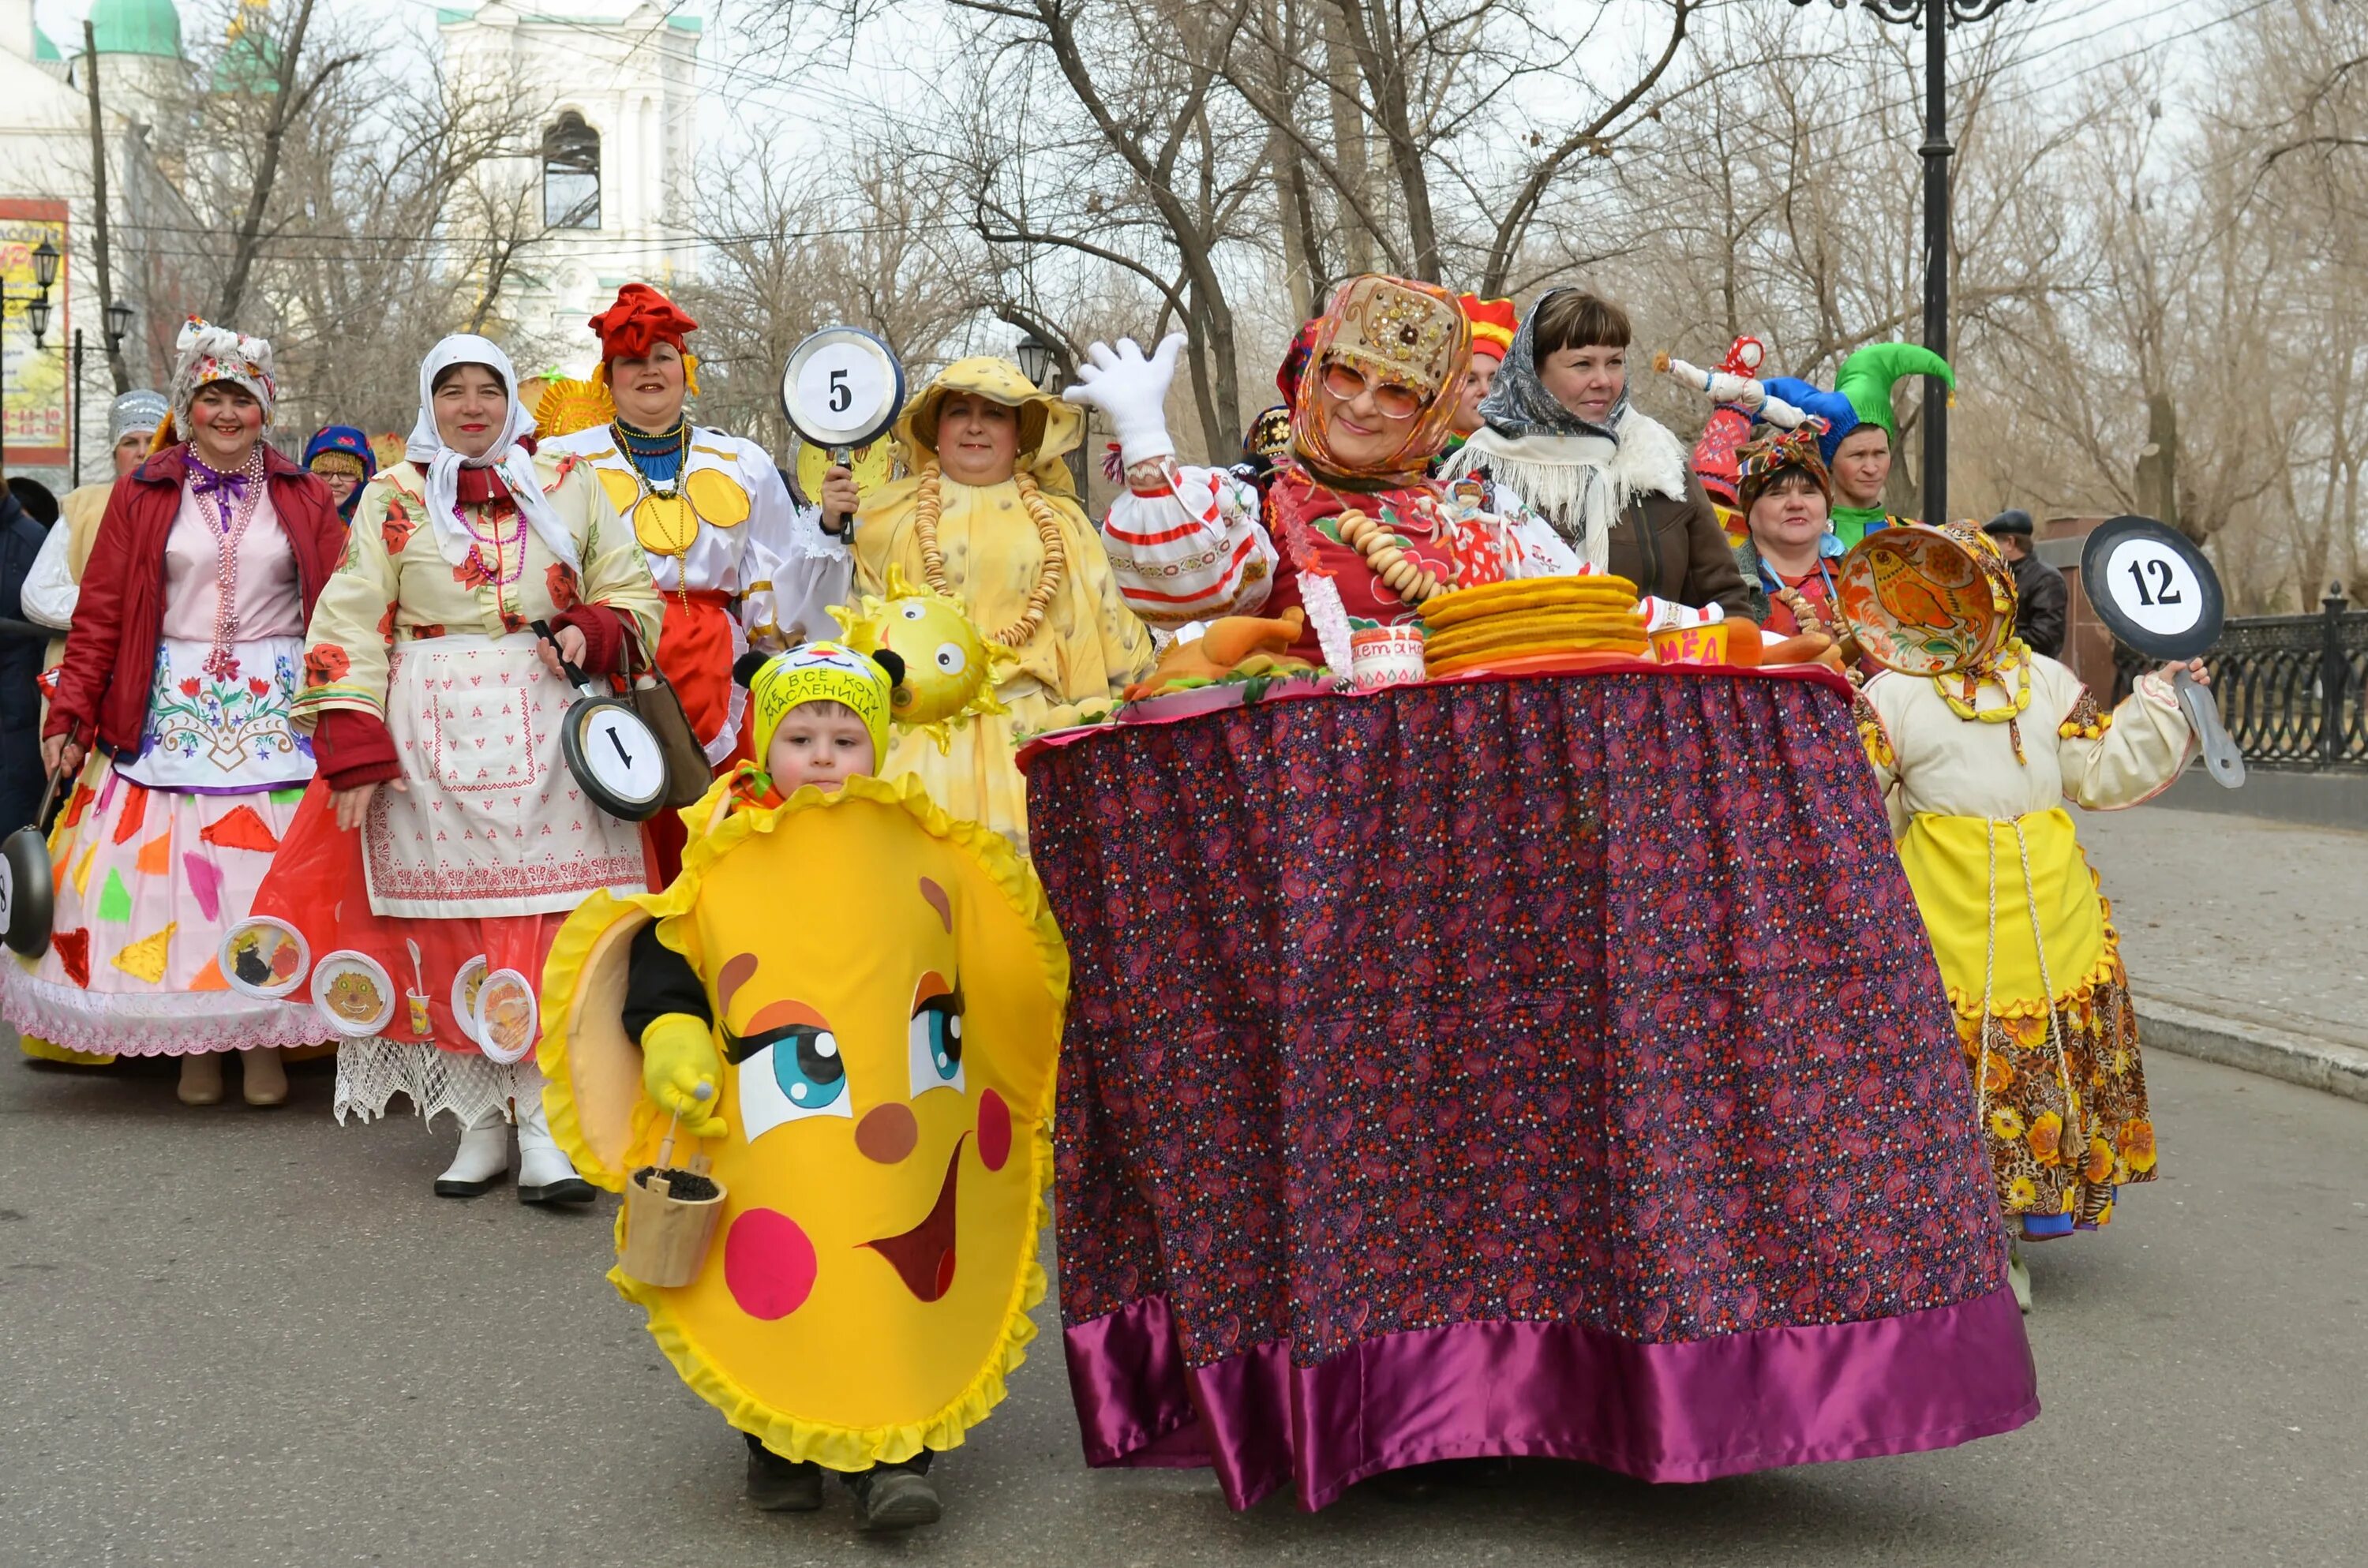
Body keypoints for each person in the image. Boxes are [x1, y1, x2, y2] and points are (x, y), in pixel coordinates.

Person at [535, 640, 1064, 1532]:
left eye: (847, 738)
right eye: (801, 735)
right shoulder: (725, 849)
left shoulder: (920, 844)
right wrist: (672, 1038)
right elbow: (673, 952)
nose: (823, 755)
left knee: (893, 1278)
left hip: (902, 1120)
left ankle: (895, 1455)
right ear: (763, 744)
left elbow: (978, 956)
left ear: (882, 746)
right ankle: (778, 1441)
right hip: (775, 1128)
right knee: (786, 1273)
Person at [247, 334, 662, 1198]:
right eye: (452, 390)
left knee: (555, 926)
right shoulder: (392, 498)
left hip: (557, 728)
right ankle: (479, 1120)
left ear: (511, 398)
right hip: (429, 731)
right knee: (450, 930)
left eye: (487, 389)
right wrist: (355, 745)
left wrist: (597, 625)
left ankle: (547, 1126)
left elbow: (635, 591)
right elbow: (349, 621)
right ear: (429, 403)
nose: (472, 405)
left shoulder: (566, 484)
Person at [1853, 522, 2191, 1309]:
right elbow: (1855, 798)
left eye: (1968, 585)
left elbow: (2100, 771)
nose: (1952, 604)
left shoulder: (2047, 682)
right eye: (1936, 588)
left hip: (2050, 905)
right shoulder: (1892, 692)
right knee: (1946, 1070)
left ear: (1999, 594)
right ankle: (1954, 1231)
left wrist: (2163, 697)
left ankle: (2007, 1227)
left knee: (2039, 1073)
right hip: (1943, 905)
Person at [6, 321, 346, 1105]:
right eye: (212, 397)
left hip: (279, 707)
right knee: (175, 879)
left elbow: (338, 608)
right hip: (168, 705)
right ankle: (195, 1050)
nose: (227, 413)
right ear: (190, 405)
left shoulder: (304, 493)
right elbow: (101, 615)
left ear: (265, 407)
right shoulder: (146, 489)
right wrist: (71, 718)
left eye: (243, 398)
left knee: (262, 875)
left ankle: (263, 1046)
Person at [850, 356, 1156, 851]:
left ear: (1019, 433)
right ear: (936, 429)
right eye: (959, 412)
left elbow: (1104, 631)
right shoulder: (886, 516)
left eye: (994, 413)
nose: (974, 426)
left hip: (1030, 744)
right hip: (913, 740)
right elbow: (851, 625)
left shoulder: (1064, 524)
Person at [1441, 287, 1751, 616]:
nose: (1603, 380)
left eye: (1614, 362)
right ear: (1533, 372)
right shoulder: (1480, 471)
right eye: (1582, 364)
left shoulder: (1658, 461)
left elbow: (1726, 600)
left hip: (1655, 664)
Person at [21, 390, 166, 661]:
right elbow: (38, 595)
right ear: (114, 452)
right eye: (130, 442)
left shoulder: (192, 508)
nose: (143, 452)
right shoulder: (82, 506)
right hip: (81, 664)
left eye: (153, 441)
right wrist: (123, 609)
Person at [1765, 342, 1955, 547]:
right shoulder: (1795, 542)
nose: (1871, 468)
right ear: (1829, 461)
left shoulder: (1918, 542)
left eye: (1880, 453)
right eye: (1858, 455)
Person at [1731, 427, 1844, 638]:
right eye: (1778, 493)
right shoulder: (1724, 583)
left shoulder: (1861, 575)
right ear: (1749, 510)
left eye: (1809, 492)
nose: (1795, 504)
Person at [1440, 293, 1516, 462]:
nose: (1485, 390)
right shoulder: (1420, 466)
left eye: (1494, 380)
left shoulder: (1530, 461)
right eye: (1470, 381)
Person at [1983, 509, 2068, 658]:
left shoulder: (2046, 580)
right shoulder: (1995, 577)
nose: (1986, 550)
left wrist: (1994, 634)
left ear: (2010, 543)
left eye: (1991, 543)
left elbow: (2045, 640)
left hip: (2029, 673)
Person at [302, 425, 377, 525]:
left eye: (346, 473)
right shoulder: (289, 522)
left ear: (365, 476)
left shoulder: (382, 523)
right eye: (324, 472)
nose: (335, 482)